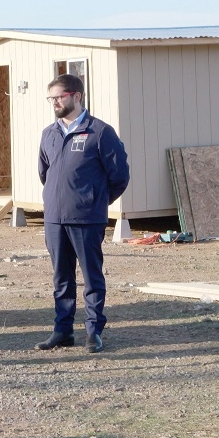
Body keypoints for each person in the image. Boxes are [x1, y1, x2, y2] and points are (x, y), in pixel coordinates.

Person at [35, 74, 130, 353]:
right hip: (55, 218)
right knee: (61, 278)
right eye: (50, 98)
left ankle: (93, 332)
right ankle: (62, 331)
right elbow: (45, 173)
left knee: (91, 276)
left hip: (87, 219)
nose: (54, 102)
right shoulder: (48, 134)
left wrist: (94, 201)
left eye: (59, 97)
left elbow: (119, 176)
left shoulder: (100, 132)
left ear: (76, 96)